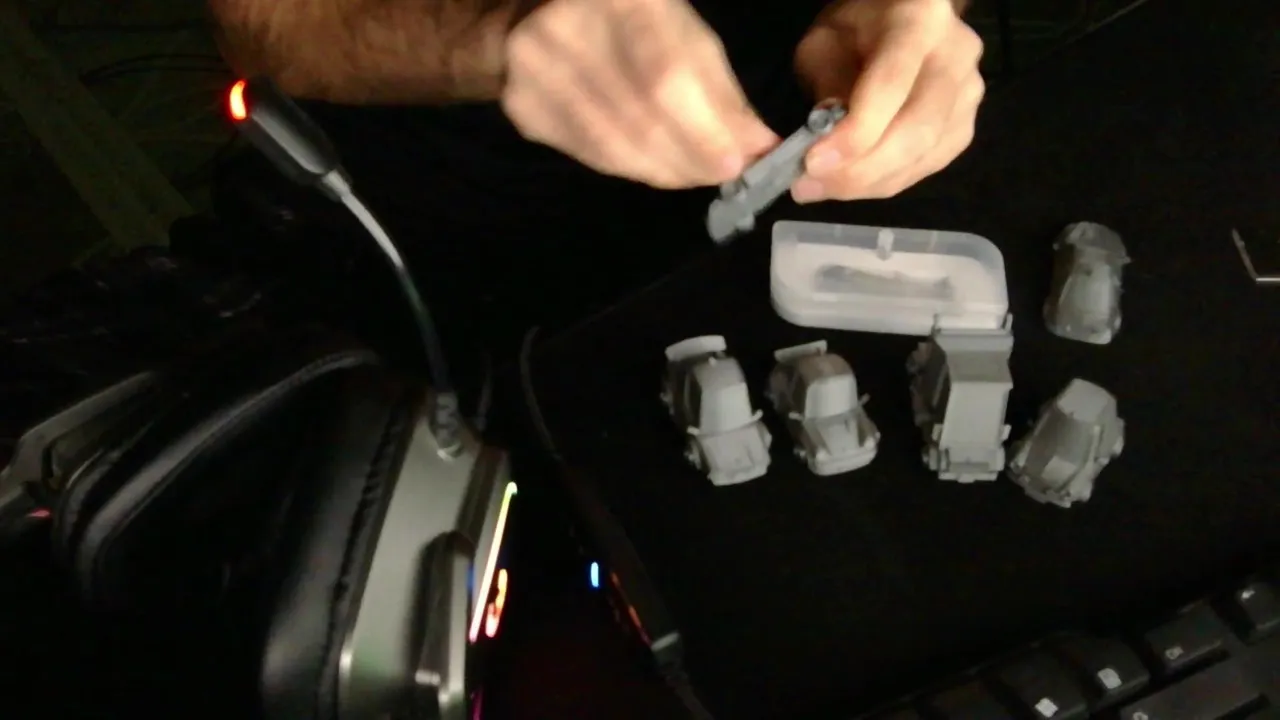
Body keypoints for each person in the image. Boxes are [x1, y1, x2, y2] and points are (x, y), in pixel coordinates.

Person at [208, 0, 983, 204]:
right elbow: (267, 24)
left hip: (810, 129)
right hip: (480, 200)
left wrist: (912, 12)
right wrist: (502, 33)